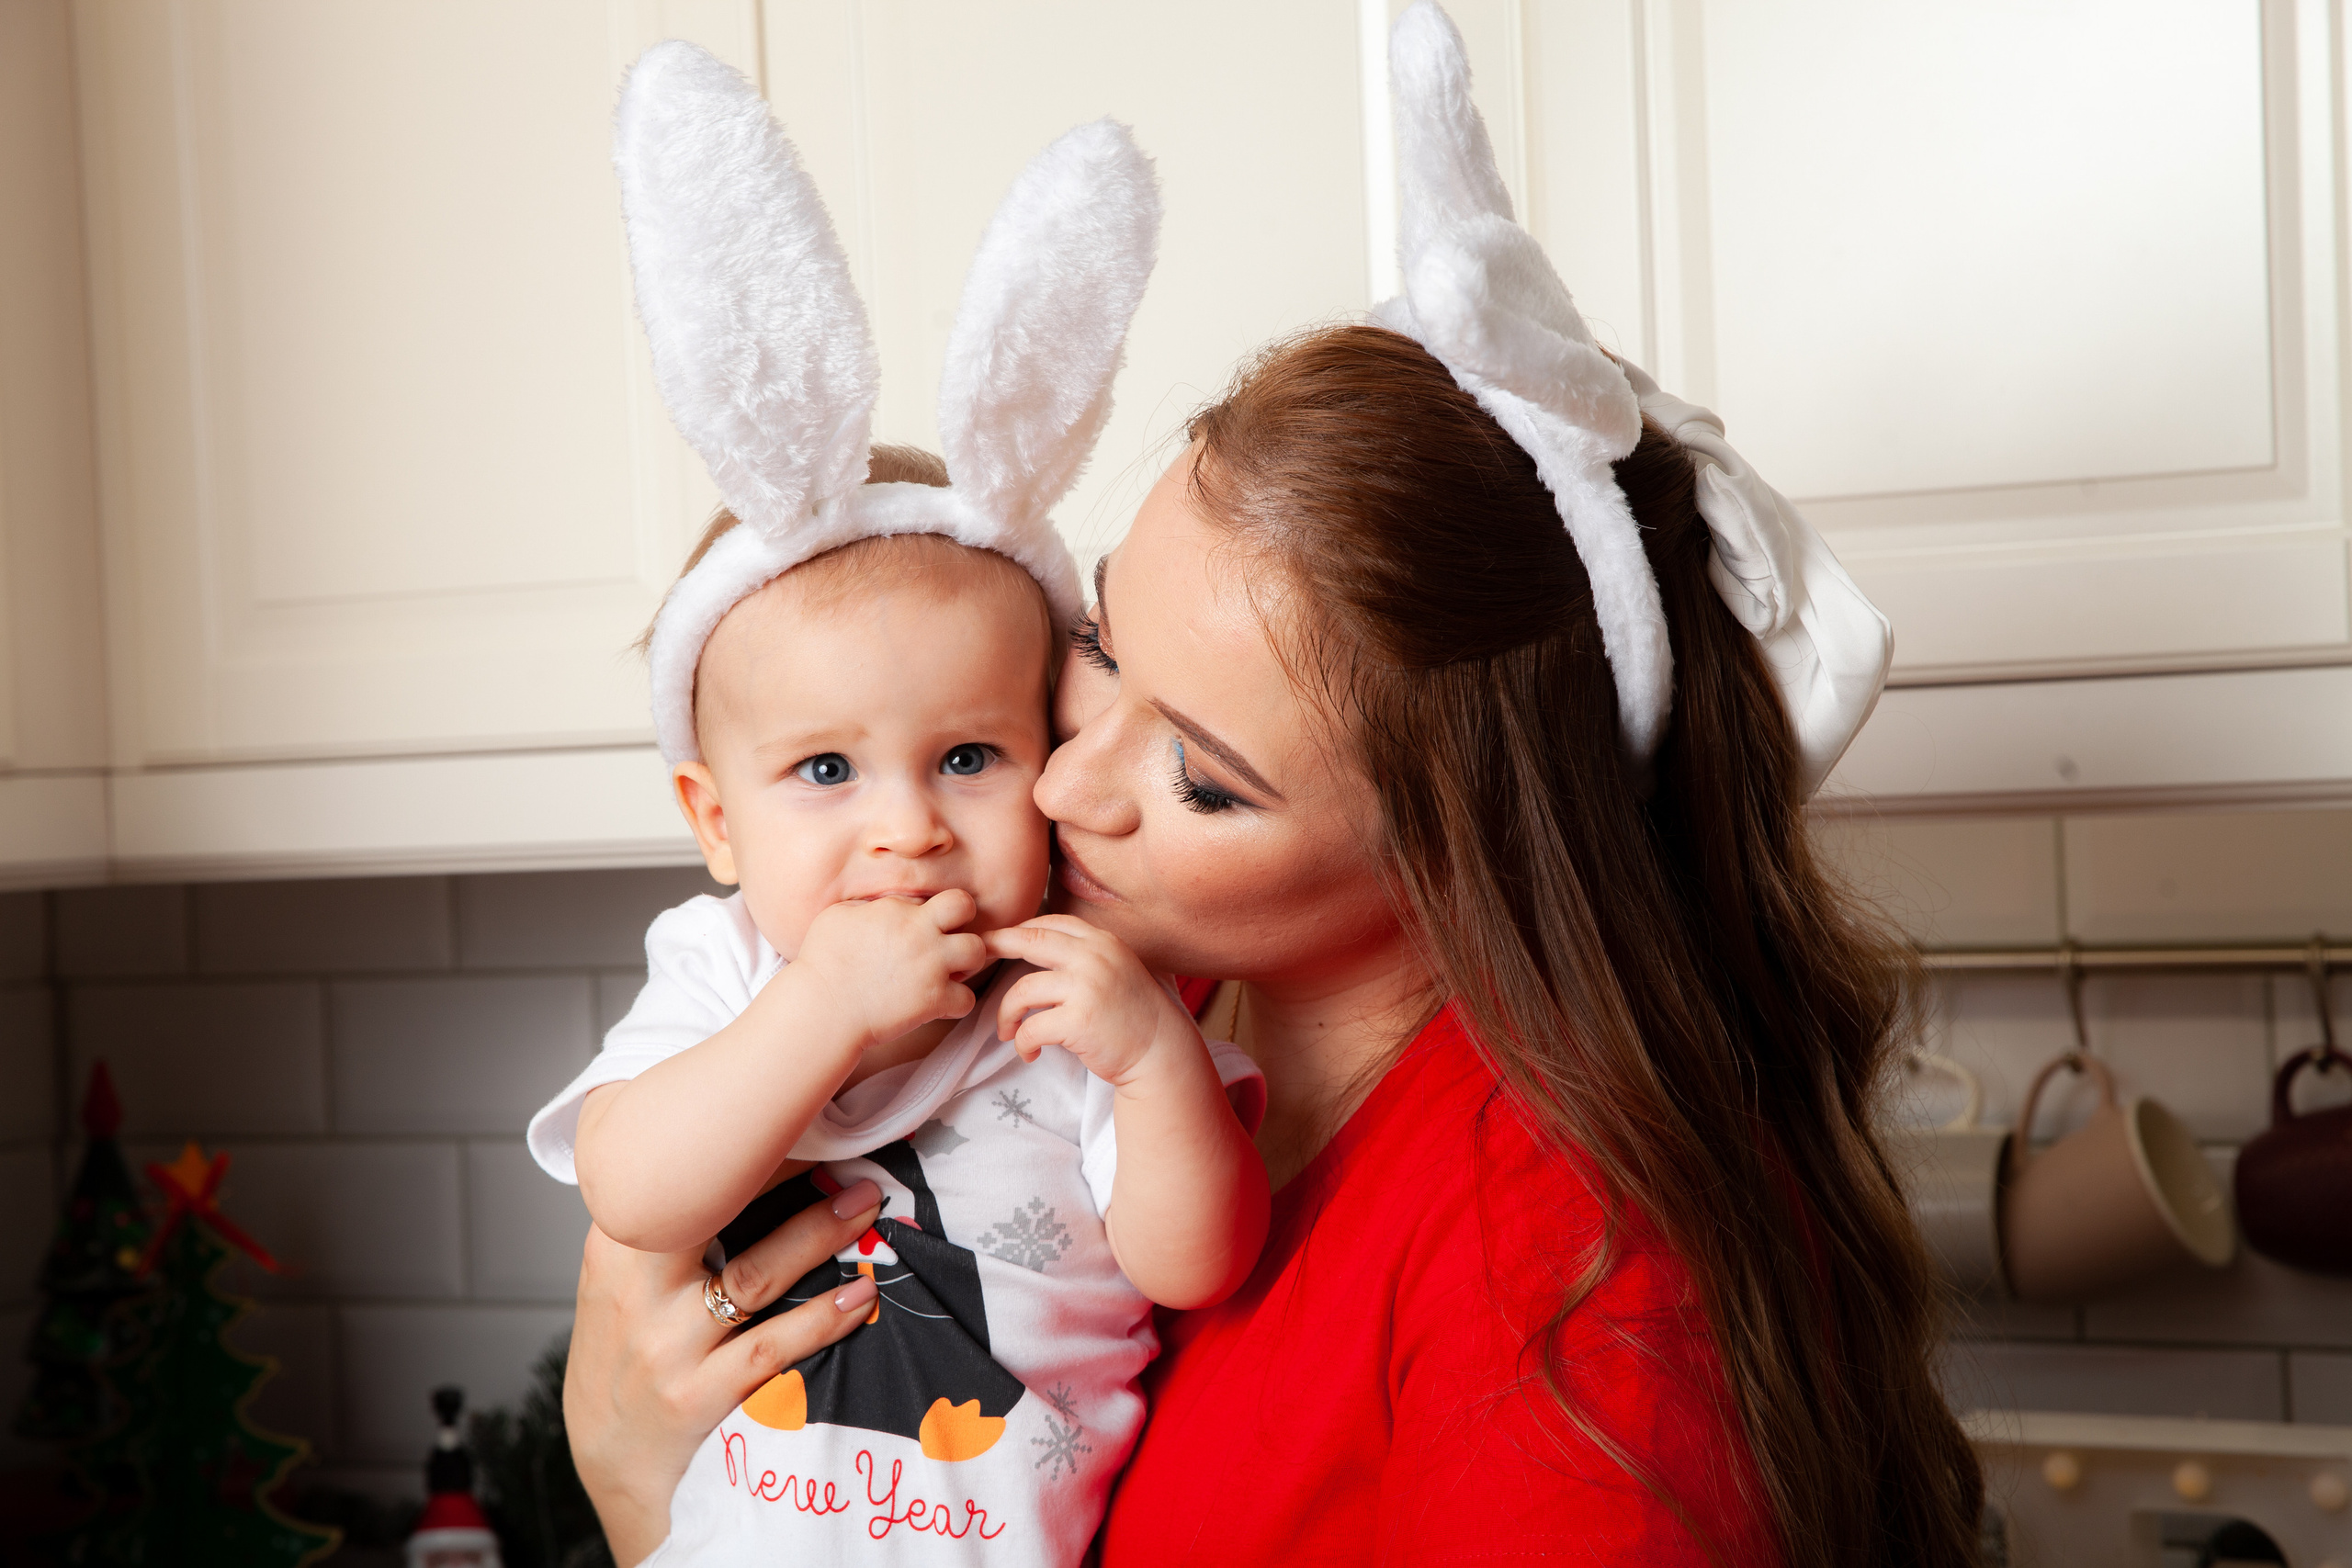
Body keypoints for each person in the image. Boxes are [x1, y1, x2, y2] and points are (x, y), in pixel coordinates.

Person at [562, 7, 1985, 1565]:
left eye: (1202, 777)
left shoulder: (1579, 1291)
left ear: (1464, 859)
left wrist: (632, 1485)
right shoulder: (1130, 981)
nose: (1062, 784)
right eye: (1100, 644)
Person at [532, 43, 1267, 1564]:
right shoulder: (730, 968)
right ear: (714, 820)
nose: (909, 829)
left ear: (1045, 754)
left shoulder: (1068, 993)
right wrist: (823, 1008)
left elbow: (1193, 1265)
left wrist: (1151, 1063)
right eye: (825, 771)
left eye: (967, 758)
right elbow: (634, 1187)